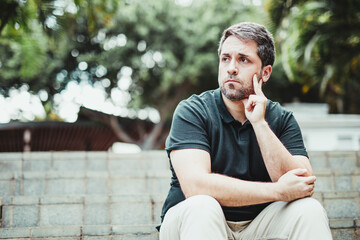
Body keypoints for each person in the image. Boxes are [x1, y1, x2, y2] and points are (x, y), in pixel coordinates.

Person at [158, 22, 332, 240]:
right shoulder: (193, 110)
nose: (231, 67)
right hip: (193, 221)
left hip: (260, 224)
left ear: (265, 73)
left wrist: (260, 124)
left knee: (309, 210)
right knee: (203, 205)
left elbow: (302, 183)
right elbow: (196, 185)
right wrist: (277, 191)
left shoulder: (282, 119)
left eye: (243, 59)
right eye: (225, 58)